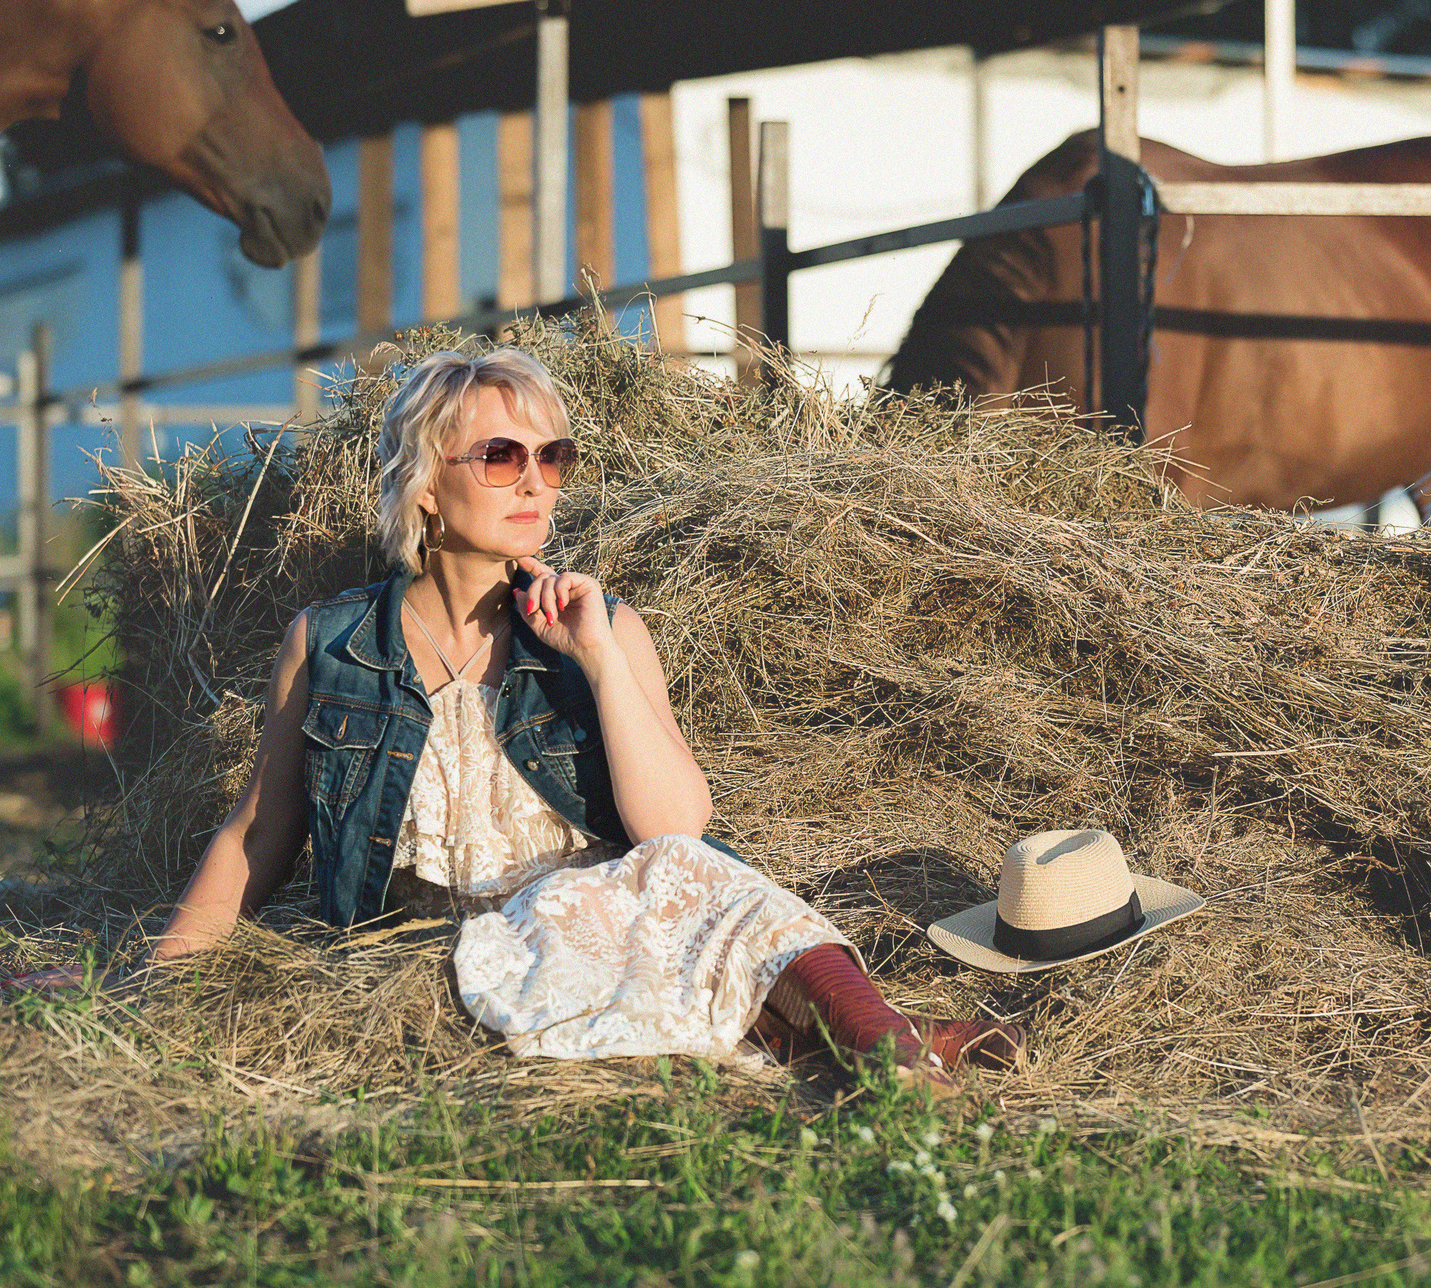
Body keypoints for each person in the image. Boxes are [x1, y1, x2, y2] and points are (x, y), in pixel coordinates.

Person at [125, 347, 1014, 1090]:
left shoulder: (604, 625)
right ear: (428, 482)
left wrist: (597, 659)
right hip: (428, 952)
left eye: (553, 457)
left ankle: (891, 1057)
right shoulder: (332, 643)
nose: (537, 484)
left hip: (599, 926)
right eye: (503, 456)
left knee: (688, 876)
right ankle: (880, 1036)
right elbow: (259, 830)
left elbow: (676, 831)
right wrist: (159, 985)